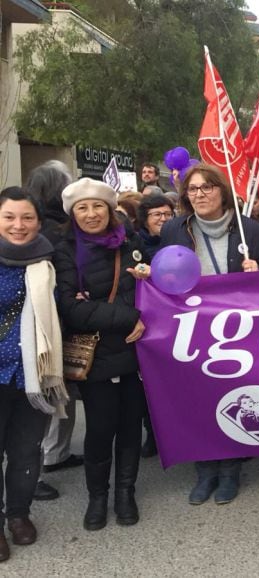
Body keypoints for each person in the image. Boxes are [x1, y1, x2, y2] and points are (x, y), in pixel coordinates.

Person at [159, 164, 259, 506]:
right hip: (192, 330)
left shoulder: (251, 232)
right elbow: (162, 273)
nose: (199, 194)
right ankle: (205, 469)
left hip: (239, 332)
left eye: (207, 188)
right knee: (198, 399)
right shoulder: (174, 229)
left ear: (222, 192)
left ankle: (229, 470)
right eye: (193, 190)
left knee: (234, 396)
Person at [54, 178, 149, 531]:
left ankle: (126, 492)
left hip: (134, 352)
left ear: (110, 211)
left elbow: (146, 290)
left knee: (129, 428)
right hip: (94, 356)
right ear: (73, 213)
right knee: (99, 429)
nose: (91, 214)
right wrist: (130, 316)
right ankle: (97, 496)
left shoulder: (131, 242)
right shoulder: (63, 250)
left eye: (98, 206)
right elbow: (71, 309)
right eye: (82, 207)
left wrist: (126, 309)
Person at [0, 187, 68, 562]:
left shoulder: (49, 260)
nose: (18, 225)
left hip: (35, 374)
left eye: (26, 217)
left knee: (26, 450)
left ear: (39, 222)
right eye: (9, 217)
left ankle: (19, 514)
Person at [25, 160, 81, 502]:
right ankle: (38, 463)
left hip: (60, 322)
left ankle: (56, 455)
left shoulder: (56, 225)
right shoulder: (49, 231)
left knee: (62, 392)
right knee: (46, 394)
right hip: (48, 327)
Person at [132, 194, 176, 459]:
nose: (163, 219)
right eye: (156, 215)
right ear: (144, 220)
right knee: (150, 381)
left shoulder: (180, 241)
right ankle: (153, 431)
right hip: (148, 321)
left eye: (167, 214)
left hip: (176, 319)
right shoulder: (135, 245)